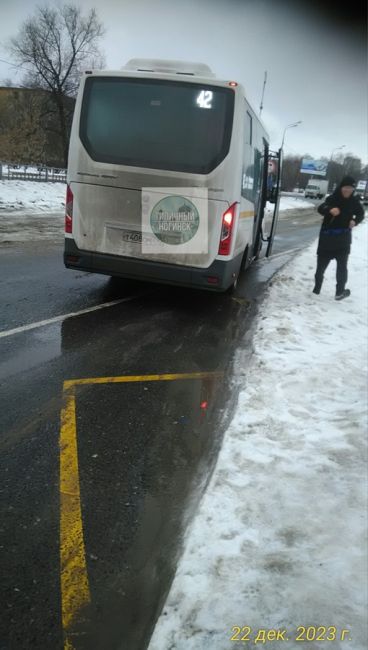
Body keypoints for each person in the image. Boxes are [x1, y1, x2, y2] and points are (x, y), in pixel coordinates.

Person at [313, 175, 364, 300]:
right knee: (320, 268)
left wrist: (355, 221)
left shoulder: (354, 202)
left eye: (351, 188)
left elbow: (361, 213)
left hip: (343, 240)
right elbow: (321, 208)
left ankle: (339, 292)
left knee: (342, 267)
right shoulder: (332, 198)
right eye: (346, 187)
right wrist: (330, 209)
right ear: (341, 187)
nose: (348, 190)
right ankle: (316, 290)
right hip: (327, 239)